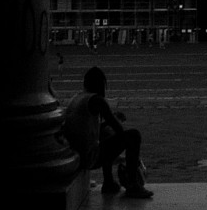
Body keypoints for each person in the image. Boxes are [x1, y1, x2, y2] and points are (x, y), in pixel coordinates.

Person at [61, 67, 151, 198]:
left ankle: (109, 182)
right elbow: (119, 130)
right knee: (133, 135)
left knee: (107, 133)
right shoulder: (96, 100)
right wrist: (129, 158)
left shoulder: (77, 98)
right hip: (88, 157)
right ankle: (133, 185)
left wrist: (109, 124)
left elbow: (89, 128)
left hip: (76, 154)